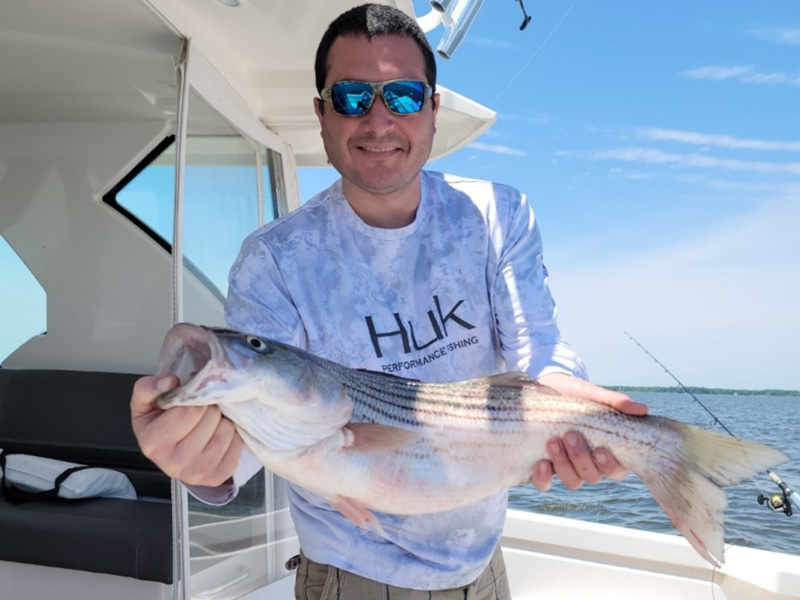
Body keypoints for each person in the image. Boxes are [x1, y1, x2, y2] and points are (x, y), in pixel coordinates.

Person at [131, 4, 647, 599]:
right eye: (352, 97)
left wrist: (563, 394)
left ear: (432, 109)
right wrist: (205, 464)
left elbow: (539, 345)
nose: (378, 120)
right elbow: (247, 437)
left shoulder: (497, 215)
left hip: (484, 569)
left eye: (402, 96)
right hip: (355, 580)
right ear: (321, 113)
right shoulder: (274, 260)